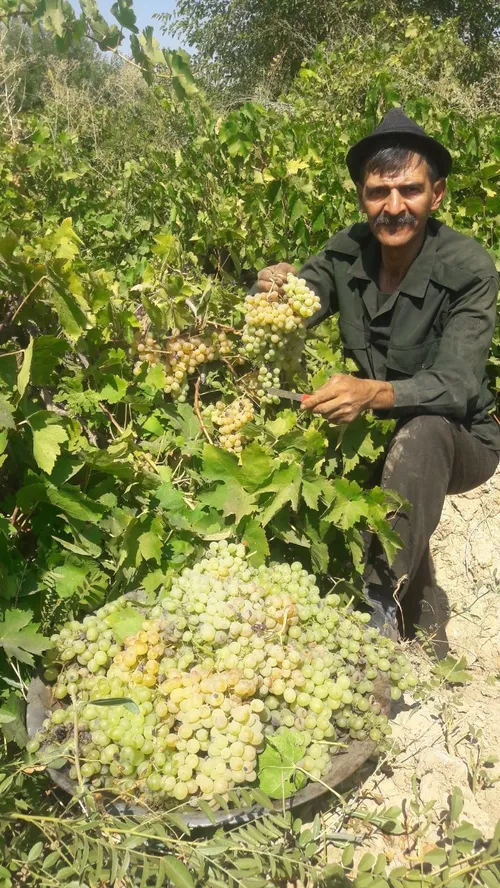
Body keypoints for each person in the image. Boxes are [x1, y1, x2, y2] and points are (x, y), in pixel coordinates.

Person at [255, 108, 500, 637]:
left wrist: (371, 395)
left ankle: (375, 610)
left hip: (462, 437)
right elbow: (299, 302)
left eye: (409, 190)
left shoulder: (470, 267)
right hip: (381, 428)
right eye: (377, 192)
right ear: (363, 197)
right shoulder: (348, 252)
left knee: (423, 434)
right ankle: (423, 639)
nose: (393, 207)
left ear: (436, 195)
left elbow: (457, 386)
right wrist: (270, 291)